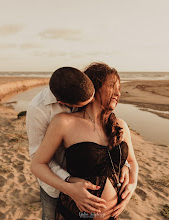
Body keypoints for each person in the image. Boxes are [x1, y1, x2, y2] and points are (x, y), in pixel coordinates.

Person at [30, 63, 138, 219]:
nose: (117, 93)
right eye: (111, 86)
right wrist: (69, 189)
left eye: (119, 88)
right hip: (75, 214)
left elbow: (132, 161)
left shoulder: (120, 125)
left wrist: (132, 184)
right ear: (94, 87)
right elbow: (37, 164)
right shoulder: (64, 122)